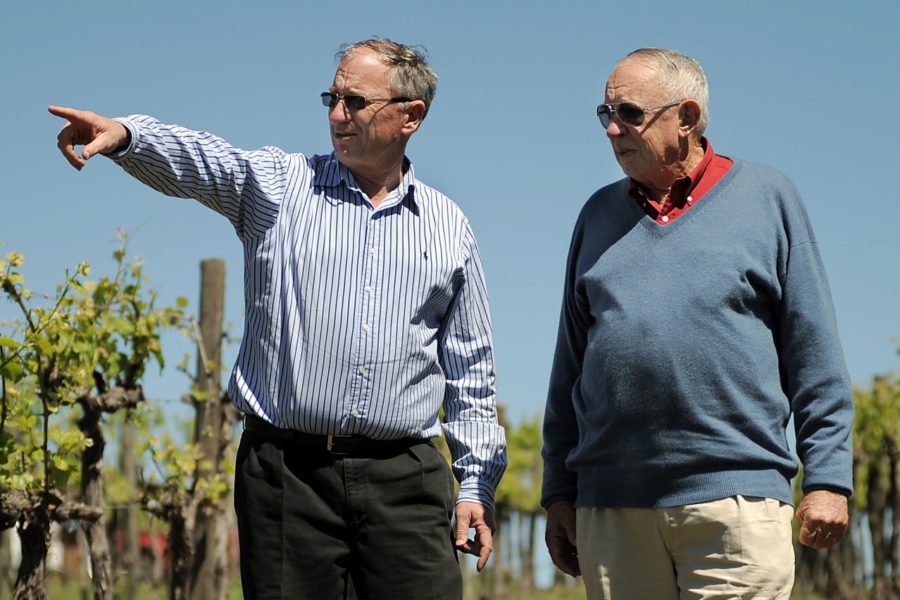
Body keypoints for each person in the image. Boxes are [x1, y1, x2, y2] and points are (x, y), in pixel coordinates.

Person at [50, 38, 506, 600]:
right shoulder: (281, 187)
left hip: (405, 482)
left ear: (411, 116)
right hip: (287, 476)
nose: (337, 115)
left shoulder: (447, 226)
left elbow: (470, 371)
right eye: (331, 98)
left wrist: (475, 485)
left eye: (356, 102)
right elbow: (208, 162)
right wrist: (128, 137)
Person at [541, 47, 853, 599]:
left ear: (686, 117)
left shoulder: (768, 198)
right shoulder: (596, 215)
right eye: (605, 114)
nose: (612, 129)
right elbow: (570, 367)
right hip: (613, 510)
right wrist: (559, 493)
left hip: (736, 504)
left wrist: (827, 478)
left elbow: (814, 352)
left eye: (630, 114)